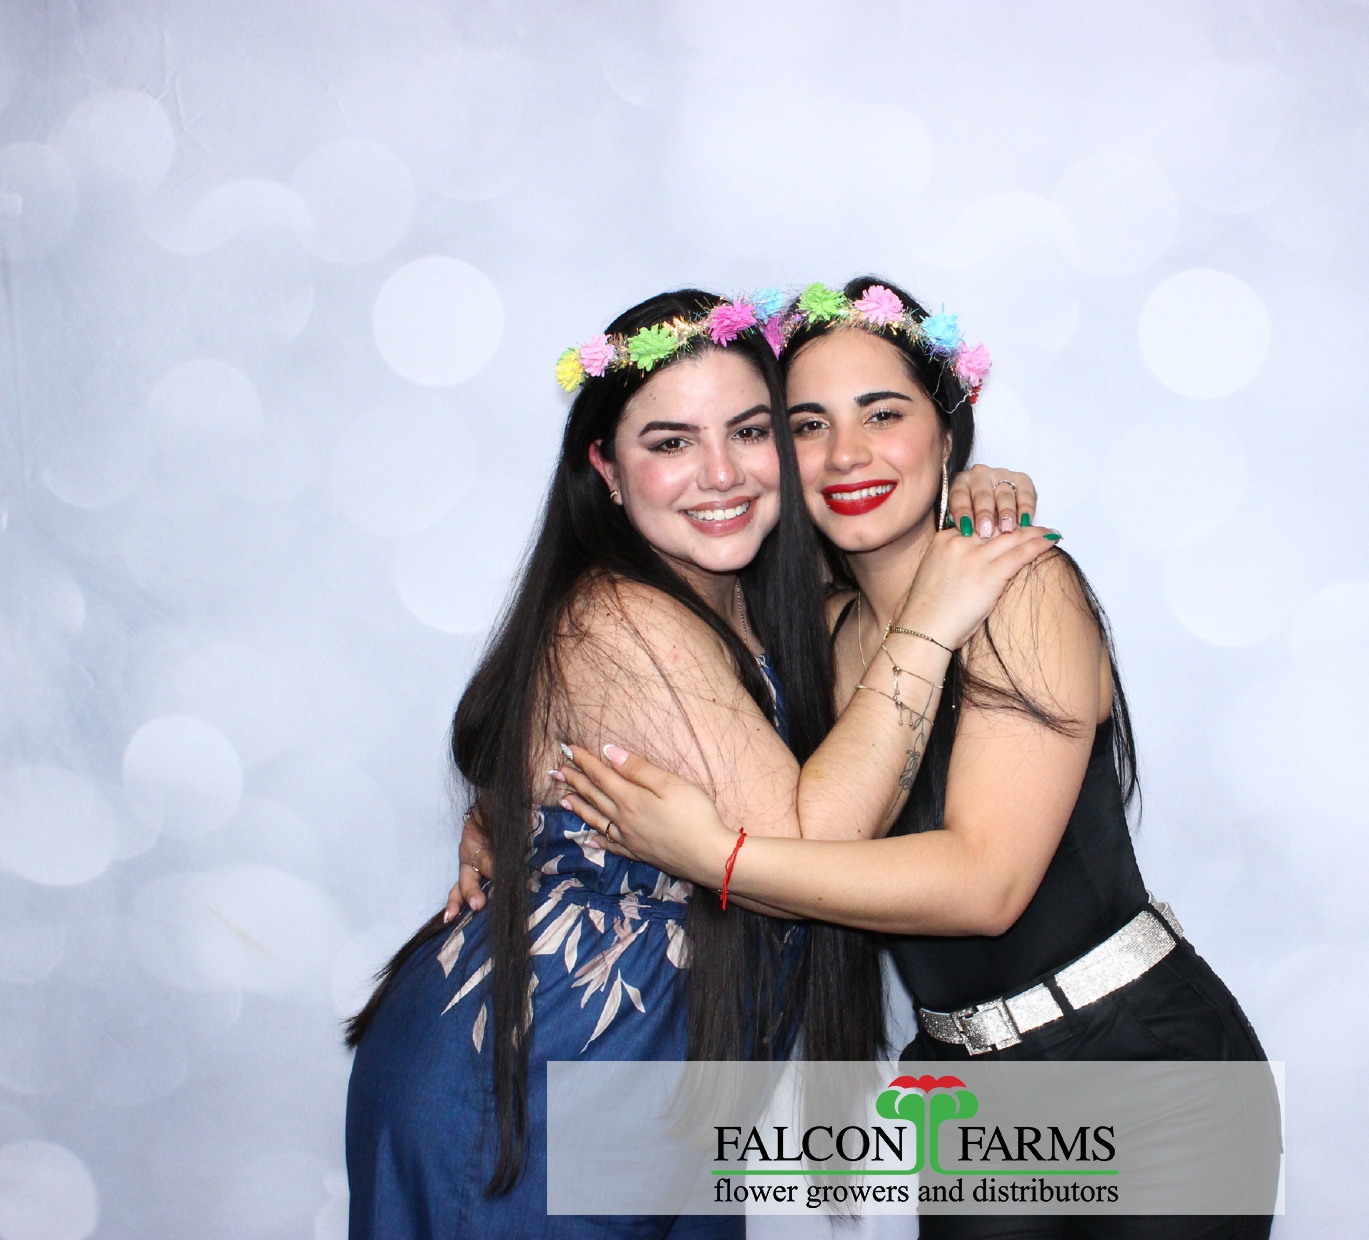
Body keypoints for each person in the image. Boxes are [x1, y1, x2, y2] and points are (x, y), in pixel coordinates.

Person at [535, 278, 1280, 1239]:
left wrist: (717, 857)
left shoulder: (1022, 586)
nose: (846, 453)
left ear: (946, 428)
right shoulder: (803, 638)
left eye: (883, 414)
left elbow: (986, 885)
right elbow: (644, 712)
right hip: (962, 1089)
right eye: (806, 425)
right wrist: (509, 821)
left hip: (1144, 1068)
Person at [342, 286, 1056, 1239]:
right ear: (605, 467)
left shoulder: (752, 594)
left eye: (750, 431)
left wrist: (964, 485)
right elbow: (810, 845)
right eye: (671, 442)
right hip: (536, 1082)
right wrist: (934, 617)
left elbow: (872, 541)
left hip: (678, 1084)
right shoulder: (621, 612)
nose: (720, 474)